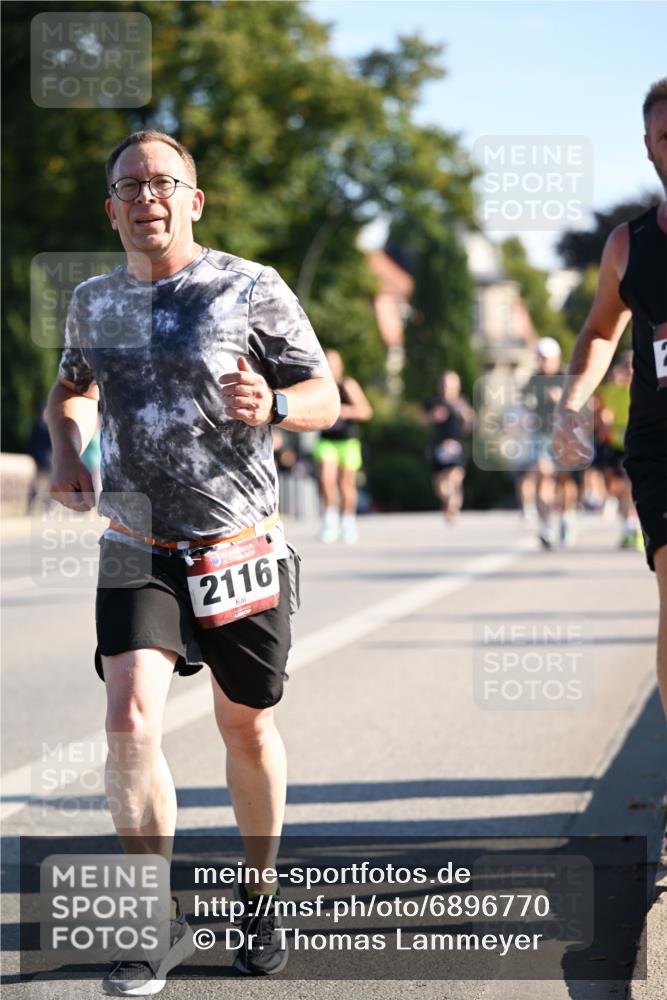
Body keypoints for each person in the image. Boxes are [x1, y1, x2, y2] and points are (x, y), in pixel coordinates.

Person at [45, 129, 339, 995]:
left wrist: (275, 402)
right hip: (136, 541)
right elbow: (72, 389)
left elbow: (323, 395)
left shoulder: (250, 286)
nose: (147, 197)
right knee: (129, 721)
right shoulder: (94, 301)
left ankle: (260, 893)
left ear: (193, 199)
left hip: (237, 543)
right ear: (111, 209)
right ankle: (153, 918)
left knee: (245, 727)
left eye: (163, 183)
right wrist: (67, 448)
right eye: (129, 186)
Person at [552, 78, 667, 718]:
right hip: (661, 446)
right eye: (665, 136)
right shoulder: (629, 245)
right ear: (649, 147)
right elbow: (599, 332)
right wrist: (572, 404)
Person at [522, 337, 578, 548]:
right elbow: (524, 403)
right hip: (542, 435)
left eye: (545, 358)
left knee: (564, 481)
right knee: (543, 474)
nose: (542, 362)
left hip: (565, 435)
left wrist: (562, 401)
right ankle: (546, 526)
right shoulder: (533, 380)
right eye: (540, 358)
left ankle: (567, 518)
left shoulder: (566, 378)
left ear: (556, 358)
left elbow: (581, 406)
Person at [313, 348, 373, 543]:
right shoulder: (319, 386)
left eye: (334, 363)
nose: (331, 367)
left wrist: (343, 411)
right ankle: (330, 520)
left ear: (340, 366)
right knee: (326, 480)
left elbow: (366, 411)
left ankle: (348, 521)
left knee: (346, 485)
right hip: (327, 441)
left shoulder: (347, 385)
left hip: (347, 442)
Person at [595, 352, 643, 549]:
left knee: (630, 486)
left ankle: (634, 527)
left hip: (637, 445)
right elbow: (599, 414)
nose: (630, 372)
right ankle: (627, 526)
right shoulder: (611, 392)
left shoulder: (645, 391)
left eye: (633, 368)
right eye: (627, 368)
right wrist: (604, 420)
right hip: (615, 445)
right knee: (615, 488)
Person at [423, 370, 474, 523]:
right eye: (444, 384)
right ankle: (450, 500)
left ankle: (452, 503)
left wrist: (467, 417)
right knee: (440, 485)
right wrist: (433, 416)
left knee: (454, 477)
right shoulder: (433, 402)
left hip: (456, 447)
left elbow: (471, 426)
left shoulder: (461, 404)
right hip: (438, 447)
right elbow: (421, 419)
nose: (446, 388)